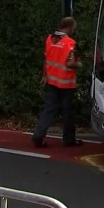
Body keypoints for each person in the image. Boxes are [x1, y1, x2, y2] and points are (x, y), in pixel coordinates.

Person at [31, 17, 83, 147]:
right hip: (66, 82)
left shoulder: (49, 39)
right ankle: (69, 139)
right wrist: (79, 64)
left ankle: (38, 135)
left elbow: (46, 59)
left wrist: (44, 75)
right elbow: (70, 63)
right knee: (68, 111)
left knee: (49, 109)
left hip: (52, 80)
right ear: (70, 27)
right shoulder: (70, 43)